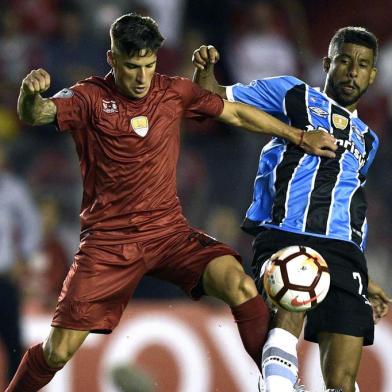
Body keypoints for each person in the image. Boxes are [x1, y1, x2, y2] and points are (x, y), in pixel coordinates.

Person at [5, 13, 337, 392]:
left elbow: (236, 112)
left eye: (149, 65)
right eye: (132, 67)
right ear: (112, 59)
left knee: (237, 282)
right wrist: (30, 96)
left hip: (168, 233)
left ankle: (278, 383)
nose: (142, 77)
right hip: (108, 245)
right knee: (57, 351)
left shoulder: (173, 91)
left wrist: (297, 135)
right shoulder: (88, 98)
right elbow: (38, 113)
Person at [192, 26, 392, 392]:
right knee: (292, 302)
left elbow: (352, 203)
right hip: (288, 233)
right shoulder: (293, 94)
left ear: (372, 75)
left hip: (345, 253)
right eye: (345, 61)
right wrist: (205, 74)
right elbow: (216, 99)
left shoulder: (369, 138)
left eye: (362, 65)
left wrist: (365, 272)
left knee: (344, 381)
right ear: (328, 63)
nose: (352, 71)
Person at [0, 145, 42, 384]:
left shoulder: (13, 190)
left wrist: (25, 257)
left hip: (4, 277)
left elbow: (32, 224)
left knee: (13, 343)